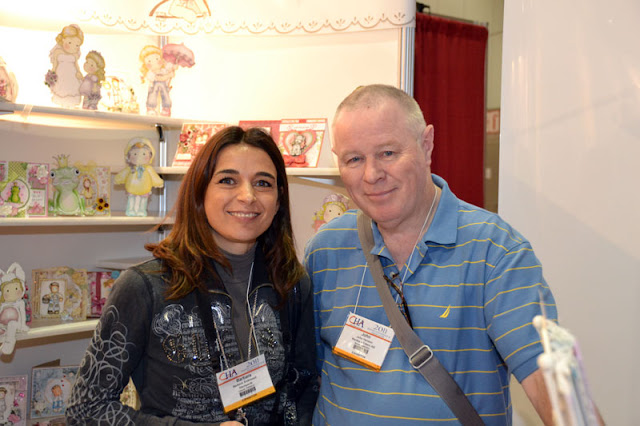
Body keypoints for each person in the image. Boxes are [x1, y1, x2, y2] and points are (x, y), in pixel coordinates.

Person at [304, 84, 560, 425]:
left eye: (387, 153)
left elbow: (548, 377)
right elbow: (304, 373)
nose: (371, 175)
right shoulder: (325, 251)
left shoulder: (495, 251)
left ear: (426, 145)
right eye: (354, 159)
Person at [67, 126, 317, 425]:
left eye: (263, 183)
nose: (248, 196)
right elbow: (86, 410)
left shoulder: (290, 283)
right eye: (228, 180)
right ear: (200, 192)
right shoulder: (145, 287)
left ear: (278, 200)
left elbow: (303, 390)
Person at [47, 24, 84, 108]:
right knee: (61, 90)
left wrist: (79, 74)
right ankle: (62, 105)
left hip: (72, 75)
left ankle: (69, 106)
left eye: (76, 45)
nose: (72, 46)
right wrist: (52, 75)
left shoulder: (74, 55)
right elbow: (55, 65)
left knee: (71, 90)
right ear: (63, 40)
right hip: (61, 74)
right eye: (69, 42)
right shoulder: (58, 52)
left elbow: (76, 66)